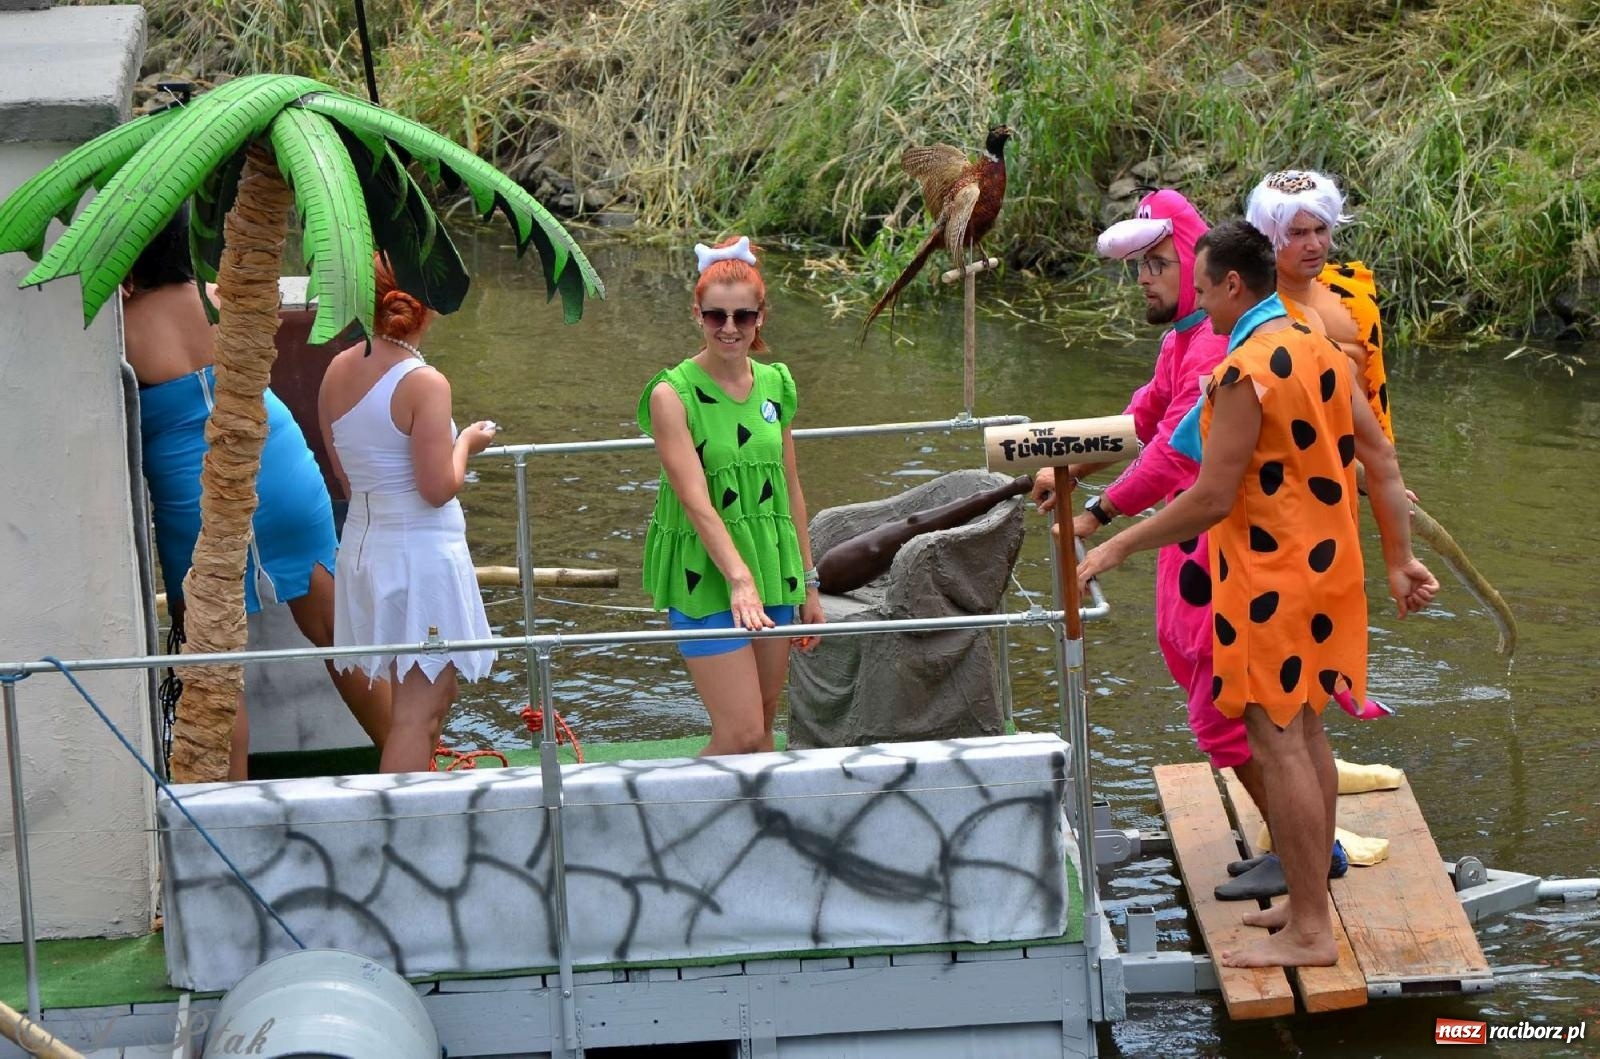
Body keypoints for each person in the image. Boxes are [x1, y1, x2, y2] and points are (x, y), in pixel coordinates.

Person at [1078, 221, 1438, 968]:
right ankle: (1308, 903)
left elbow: (1210, 498)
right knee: (1307, 737)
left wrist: (1115, 542)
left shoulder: (1244, 371)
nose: (1201, 304)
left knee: (1279, 745)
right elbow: (1384, 460)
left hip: (1271, 581)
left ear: (1233, 286)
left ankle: (1311, 930)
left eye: (1205, 288)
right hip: (1333, 575)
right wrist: (1398, 561)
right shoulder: (1320, 348)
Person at [124, 206, 391, 780]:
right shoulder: (222, 295)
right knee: (337, 635)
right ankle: (417, 763)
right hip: (281, 460)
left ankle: (227, 812)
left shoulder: (113, 328)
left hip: (197, 500)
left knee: (212, 669)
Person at [1030, 189, 1252, 812]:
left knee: (1221, 717)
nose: (1143, 281)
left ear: (1192, 258)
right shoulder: (1180, 340)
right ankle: (1289, 841)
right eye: (1138, 267)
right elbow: (1142, 417)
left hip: (1221, 547)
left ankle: (1309, 853)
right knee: (1206, 694)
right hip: (1185, 545)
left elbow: (1177, 450)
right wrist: (1067, 463)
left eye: (1156, 264)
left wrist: (1098, 514)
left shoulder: (1212, 346)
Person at [638, 236, 825, 755]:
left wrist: (809, 584)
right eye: (715, 316)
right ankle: (662, 818)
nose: (729, 328)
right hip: (706, 570)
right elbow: (694, 499)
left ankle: (759, 833)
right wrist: (739, 580)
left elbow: (790, 488)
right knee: (739, 733)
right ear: (696, 315)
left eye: (743, 317)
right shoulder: (670, 394)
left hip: (773, 563)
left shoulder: (775, 384)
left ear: (761, 317)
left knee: (763, 727)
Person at [318, 254, 497, 773]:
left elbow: (346, 476)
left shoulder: (337, 368)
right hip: (418, 556)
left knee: (424, 700)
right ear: (426, 307)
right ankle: (400, 829)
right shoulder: (425, 383)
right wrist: (467, 442)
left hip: (365, 548)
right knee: (421, 709)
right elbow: (438, 487)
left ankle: (410, 810)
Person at [1245, 169, 1393, 440]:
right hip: (1304, 467)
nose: (1314, 245)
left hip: (1371, 458)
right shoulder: (1255, 315)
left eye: (1320, 229)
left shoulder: (1351, 289)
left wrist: (1383, 471)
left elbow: (1375, 395)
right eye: (1298, 233)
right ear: (1266, 238)